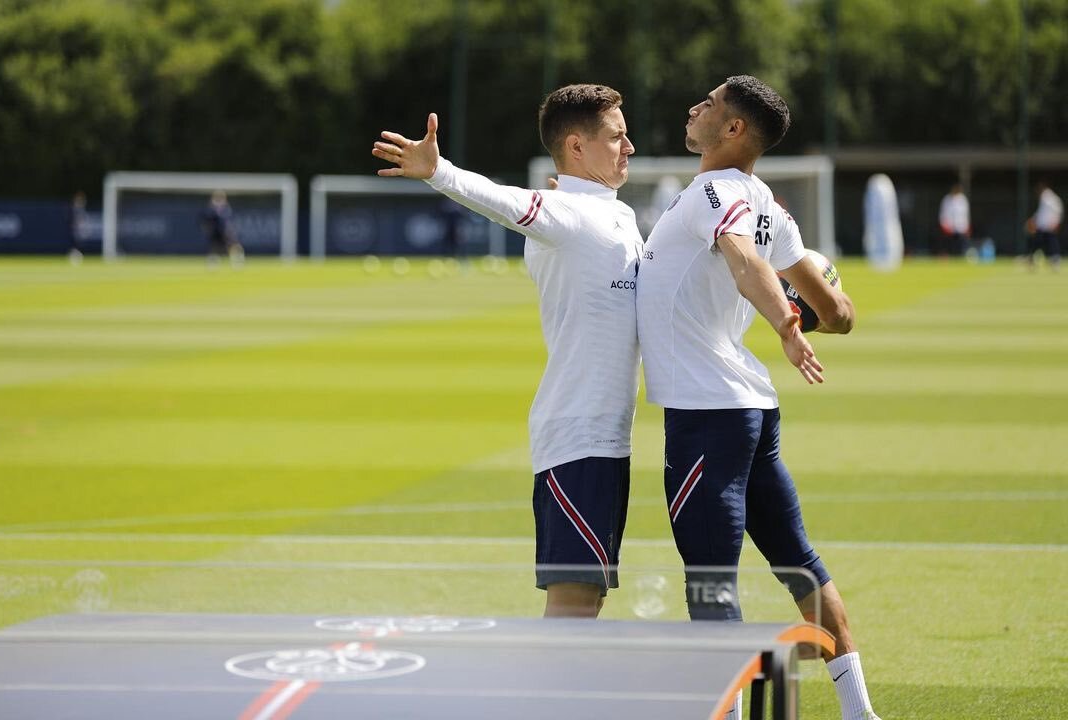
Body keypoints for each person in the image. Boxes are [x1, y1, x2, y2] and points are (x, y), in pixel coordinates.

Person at [636, 75, 880, 720]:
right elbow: (840, 313)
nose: (696, 106)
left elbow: (744, 262)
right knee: (799, 562)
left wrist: (786, 326)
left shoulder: (714, 191)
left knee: (710, 582)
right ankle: (860, 712)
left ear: (734, 129)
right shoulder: (769, 204)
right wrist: (811, 309)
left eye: (711, 102)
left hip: (706, 415)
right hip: (748, 410)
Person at [372, 85, 642, 619]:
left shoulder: (620, 216)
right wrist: (439, 171)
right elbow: (505, 201)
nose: (629, 147)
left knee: (590, 599)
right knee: (574, 599)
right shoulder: (564, 212)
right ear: (576, 146)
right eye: (616, 136)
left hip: (609, 438)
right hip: (576, 436)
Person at [1025, 180, 1063, 271]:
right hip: (1042, 226)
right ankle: (1032, 260)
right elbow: (1041, 212)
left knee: (1051, 243)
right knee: (1037, 244)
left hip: (1048, 226)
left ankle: (1054, 261)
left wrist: (1056, 222)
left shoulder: (1049, 197)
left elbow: (1058, 210)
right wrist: (1033, 220)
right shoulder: (1044, 197)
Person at [200, 190, 244, 266]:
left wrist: (230, 230)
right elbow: (206, 221)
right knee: (214, 247)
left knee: (234, 245)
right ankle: (213, 263)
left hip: (225, 231)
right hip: (216, 231)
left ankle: (237, 260)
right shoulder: (210, 210)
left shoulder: (226, 209)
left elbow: (229, 221)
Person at [937, 182, 971, 257]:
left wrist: (966, 226)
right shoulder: (947, 199)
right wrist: (944, 225)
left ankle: (962, 255)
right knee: (947, 244)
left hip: (960, 227)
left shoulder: (963, 199)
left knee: (962, 244)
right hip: (949, 227)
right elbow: (943, 213)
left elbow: (965, 214)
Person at [66, 191, 87, 264]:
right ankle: (74, 256)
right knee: (74, 244)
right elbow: (73, 220)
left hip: (79, 230)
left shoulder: (81, 209)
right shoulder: (74, 209)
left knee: (78, 244)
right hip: (75, 230)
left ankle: (76, 256)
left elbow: (82, 221)